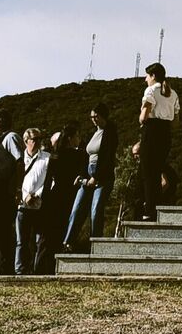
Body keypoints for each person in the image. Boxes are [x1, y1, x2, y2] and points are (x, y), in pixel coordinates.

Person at [131, 64, 179, 222]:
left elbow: (144, 116)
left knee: (147, 173)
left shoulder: (151, 91)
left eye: (147, 76)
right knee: (156, 170)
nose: (145, 79)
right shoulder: (173, 94)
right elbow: (175, 121)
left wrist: (140, 119)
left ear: (153, 75)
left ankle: (148, 210)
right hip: (166, 134)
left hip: (151, 132)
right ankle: (153, 207)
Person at [63, 106, 115, 251]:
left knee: (95, 210)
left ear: (103, 116)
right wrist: (82, 175)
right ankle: (68, 242)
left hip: (103, 177)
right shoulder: (94, 133)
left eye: (95, 116)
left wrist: (97, 176)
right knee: (77, 209)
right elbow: (87, 156)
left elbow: (108, 157)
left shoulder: (110, 132)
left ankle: (95, 244)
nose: (93, 119)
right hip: (88, 174)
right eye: (91, 116)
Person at [41, 126, 84, 269]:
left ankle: (45, 266)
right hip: (70, 195)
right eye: (77, 136)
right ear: (70, 138)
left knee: (51, 233)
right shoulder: (79, 156)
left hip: (55, 195)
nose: (79, 139)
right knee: (64, 231)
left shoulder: (54, 156)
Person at [0, 111, 23, 273]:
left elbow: (19, 162)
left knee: (3, 230)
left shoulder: (11, 138)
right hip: (0, 191)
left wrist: (17, 188)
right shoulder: (1, 139)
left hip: (5, 191)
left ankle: (6, 266)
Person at [13, 127, 48, 275]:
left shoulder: (46, 158)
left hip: (38, 204)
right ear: (26, 141)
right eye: (35, 139)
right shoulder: (19, 158)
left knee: (38, 241)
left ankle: (36, 269)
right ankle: (20, 269)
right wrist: (24, 196)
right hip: (22, 204)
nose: (38, 142)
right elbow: (16, 181)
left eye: (40, 139)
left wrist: (36, 195)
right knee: (21, 240)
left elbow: (48, 181)